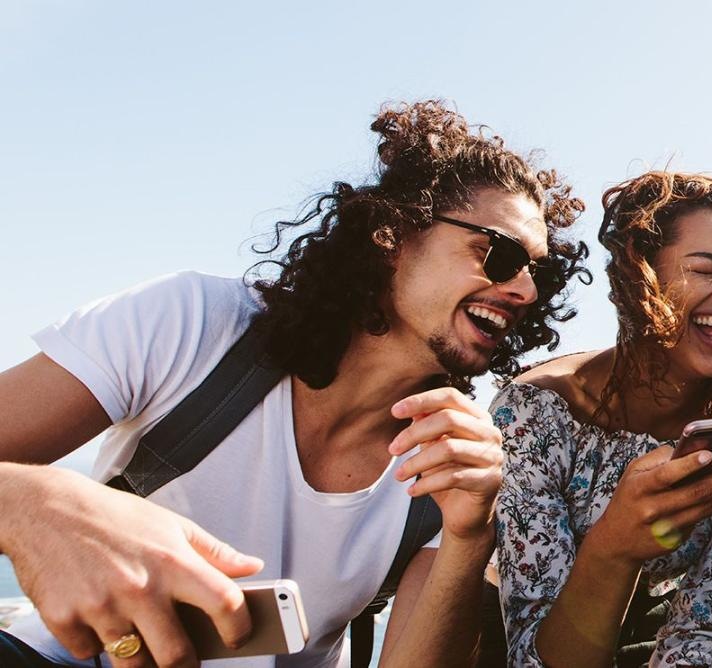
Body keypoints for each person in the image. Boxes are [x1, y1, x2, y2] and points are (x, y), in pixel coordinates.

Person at [0, 100, 588, 668]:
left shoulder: (453, 461)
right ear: (391, 235)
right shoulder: (193, 324)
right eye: (501, 254)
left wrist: (468, 535)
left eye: (543, 272)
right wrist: (39, 502)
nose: (526, 291)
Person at [492, 171, 712, 667]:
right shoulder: (535, 411)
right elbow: (533, 656)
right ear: (641, 279)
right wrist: (614, 546)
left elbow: (703, 622)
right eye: (706, 269)